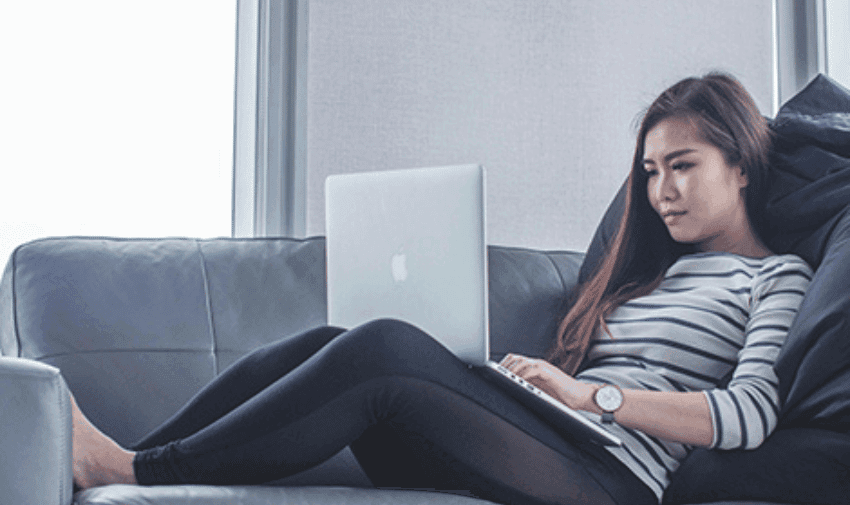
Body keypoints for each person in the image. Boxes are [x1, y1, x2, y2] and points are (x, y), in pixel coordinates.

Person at [70, 72, 813, 505]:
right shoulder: (651, 276)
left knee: (387, 347)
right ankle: (135, 454)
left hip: (613, 478)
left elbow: (748, 415)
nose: (660, 191)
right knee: (340, 341)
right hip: (554, 442)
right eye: (650, 172)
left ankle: (134, 469)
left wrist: (596, 396)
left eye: (681, 165)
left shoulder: (776, 276)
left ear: (742, 164)